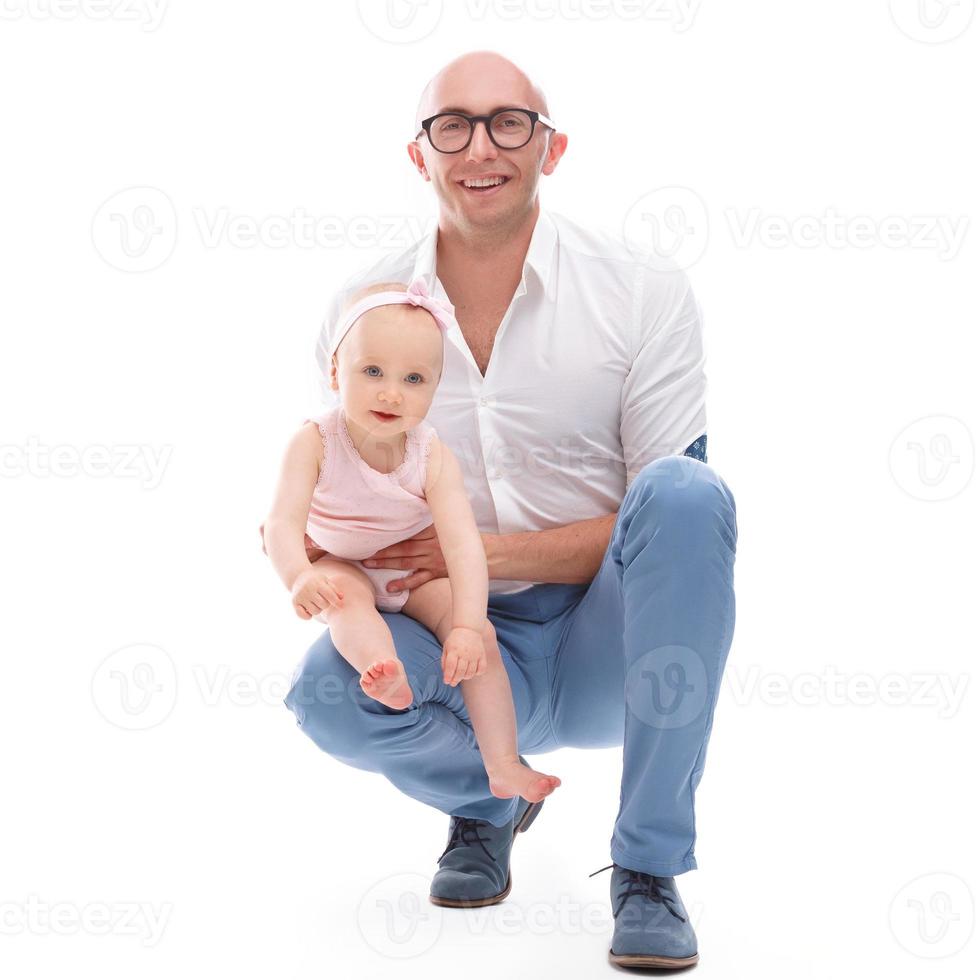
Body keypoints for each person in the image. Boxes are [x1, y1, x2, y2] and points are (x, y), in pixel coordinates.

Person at [279, 50, 737, 970]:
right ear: (420, 155)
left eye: (509, 122)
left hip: (615, 638)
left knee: (689, 492)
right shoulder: (360, 314)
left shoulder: (640, 291)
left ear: (551, 148)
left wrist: (477, 554)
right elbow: (341, 494)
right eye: (453, 124)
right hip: (450, 638)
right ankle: (490, 798)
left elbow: (665, 527)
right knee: (325, 694)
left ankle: (647, 867)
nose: (480, 146)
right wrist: (316, 565)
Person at [263, 276, 561, 805]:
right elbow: (283, 522)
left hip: (411, 574)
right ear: (335, 371)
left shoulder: (429, 454)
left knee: (482, 642)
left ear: (434, 389)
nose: (390, 392)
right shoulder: (315, 441)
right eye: (372, 371)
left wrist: (466, 625)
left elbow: (463, 546)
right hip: (339, 560)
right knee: (346, 600)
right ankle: (387, 674)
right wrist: (300, 576)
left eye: (413, 378)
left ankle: (502, 765)